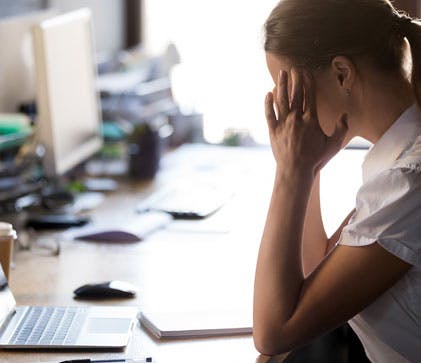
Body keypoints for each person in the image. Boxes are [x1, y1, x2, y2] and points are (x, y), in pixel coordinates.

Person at [253, 0, 421, 362]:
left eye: (290, 89)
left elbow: (274, 333)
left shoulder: (408, 182)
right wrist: (308, 168)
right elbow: (316, 271)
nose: (289, 109)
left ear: (342, 73)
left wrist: (290, 172)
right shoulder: (399, 159)